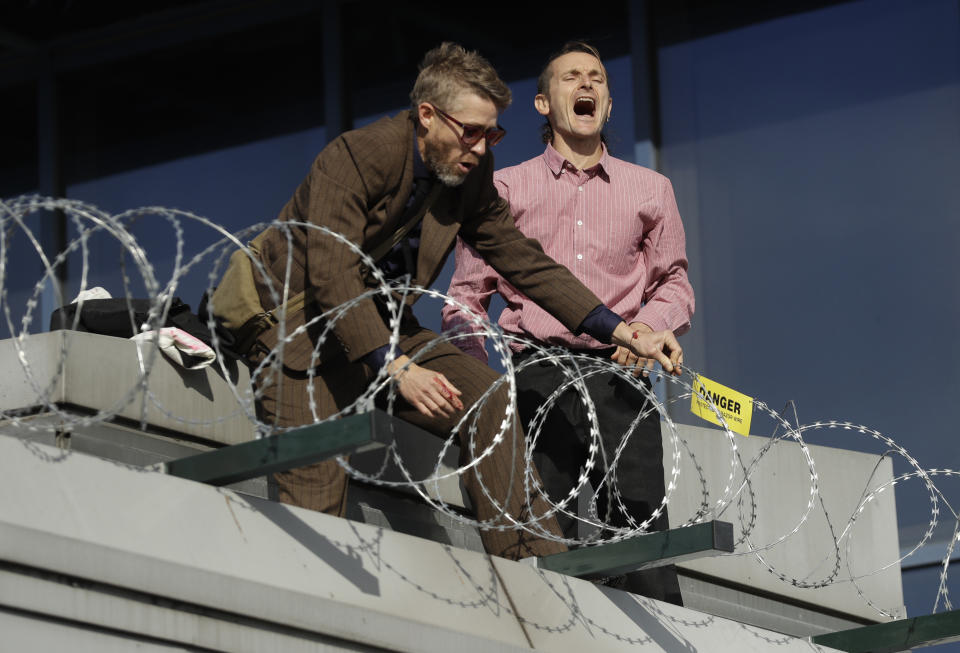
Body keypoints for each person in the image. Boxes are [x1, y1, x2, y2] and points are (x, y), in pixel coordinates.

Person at [215, 42, 683, 562]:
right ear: (428, 116)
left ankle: (534, 564)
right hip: (297, 328)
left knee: (490, 400)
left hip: (385, 326)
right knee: (317, 488)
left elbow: (527, 264)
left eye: (493, 133)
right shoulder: (355, 156)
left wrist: (621, 330)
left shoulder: (468, 171)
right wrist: (395, 367)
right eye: (472, 132)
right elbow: (330, 272)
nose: (483, 148)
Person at [441, 41, 694, 600]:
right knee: (545, 533)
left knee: (642, 534)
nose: (587, 85)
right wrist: (483, 385)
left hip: (621, 376)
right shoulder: (504, 188)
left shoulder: (652, 189)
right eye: (571, 77)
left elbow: (674, 284)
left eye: (598, 78)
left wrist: (648, 329)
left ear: (606, 102)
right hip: (536, 374)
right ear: (541, 103)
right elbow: (464, 298)